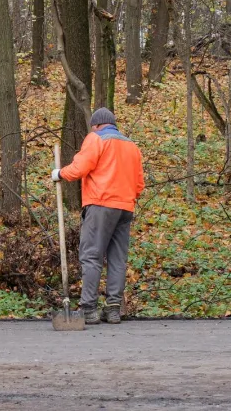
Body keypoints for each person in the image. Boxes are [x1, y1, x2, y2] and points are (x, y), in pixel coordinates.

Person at [52, 108, 144, 324]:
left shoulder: (96, 139)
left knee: (92, 255)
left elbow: (80, 167)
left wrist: (59, 174)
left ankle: (89, 309)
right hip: (125, 207)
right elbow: (139, 184)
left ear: (96, 125)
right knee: (117, 259)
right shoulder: (131, 146)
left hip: (101, 204)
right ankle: (113, 309)